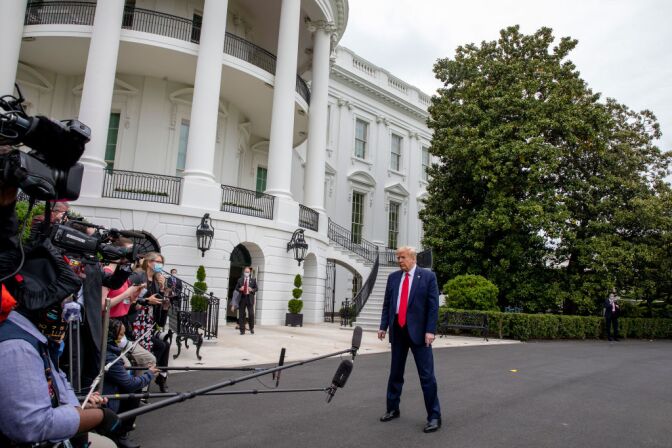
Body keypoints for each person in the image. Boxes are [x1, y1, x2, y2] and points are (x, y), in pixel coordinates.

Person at [378, 246, 441, 433]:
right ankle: (392, 409)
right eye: (398, 257)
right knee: (395, 374)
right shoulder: (393, 278)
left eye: (402, 257)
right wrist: (383, 326)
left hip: (420, 334)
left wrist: (430, 331)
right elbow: (387, 304)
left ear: (413, 258)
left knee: (427, 376)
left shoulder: (428, 277)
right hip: (398, 331)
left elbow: (433, 307)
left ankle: (434, 416)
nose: (399, 260)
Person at [104, 319, 158, 448]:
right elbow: (130, 384)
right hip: (106, 396)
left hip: (110, 387)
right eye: (121, 335)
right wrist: (149, 375)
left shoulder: (109, 349)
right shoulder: (109, 356)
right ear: (111, 335)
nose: (122, 338)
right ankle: (120, 435)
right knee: (134, 390)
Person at [129, 252, 171, 391]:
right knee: (155, 348)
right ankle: (146, 381)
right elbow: (131, 300)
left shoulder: (156, 281)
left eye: (161, 262)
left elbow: (158, 304)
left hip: (148, 322)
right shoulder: (139, 276)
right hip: (136, 321)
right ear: (149, 261)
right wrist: (147, 301)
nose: (159, 265)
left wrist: (164, 290)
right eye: (157, 261)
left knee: (162, 345)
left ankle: (157, 377)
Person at [235, 266, 258, 335]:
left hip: (249, 298)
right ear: (244, 272)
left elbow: (256, 288)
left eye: (248, 272)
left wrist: (252, 290)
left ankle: (251, 328)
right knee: (241, 314)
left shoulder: (253, 280)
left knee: (251, 314)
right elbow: (236, 288)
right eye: (246, 272)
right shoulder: (240, 280)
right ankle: (242, 330)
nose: (247, 273)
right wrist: (240, 289)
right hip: (242, 298)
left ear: (250, 272)